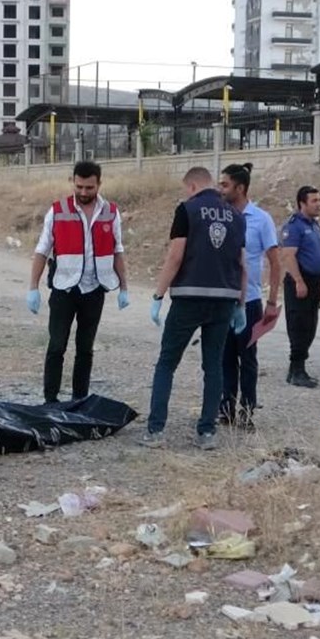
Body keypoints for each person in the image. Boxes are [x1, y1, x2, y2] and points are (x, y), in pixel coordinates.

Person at [139, 167, 247, 451]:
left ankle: (155, 430)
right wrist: (241, 303)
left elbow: (175, 256)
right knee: (213, 366)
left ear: (192, 186)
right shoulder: (236, 216)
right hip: (224, 299)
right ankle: (207, 432)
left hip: (189, 297)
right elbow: (241, 263)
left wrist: (158, 295)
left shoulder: (187, 210)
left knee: (167, 363)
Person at [27, 161, 130, 404]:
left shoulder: (111, 212)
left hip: (94, 290)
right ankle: (50, 399)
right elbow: (42, 250)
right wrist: (33, 287)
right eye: (80, 186)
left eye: (89, 187)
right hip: (64, 289)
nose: (84, 192)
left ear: (99, 184)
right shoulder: (57, 210)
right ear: (73, 182)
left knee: (85, 348)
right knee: (56, 346)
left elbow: (118, 251)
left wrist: (124, 287)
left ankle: (79, 399)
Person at [216, 162, 280, 431]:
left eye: (225, 184)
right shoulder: (219, 215)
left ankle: (247, 410)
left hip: (250, 300)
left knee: (248, 357)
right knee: (224, 358)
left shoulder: (261, 219)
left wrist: (272, 302)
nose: (221, 189)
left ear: (240, 188)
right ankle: (226, 408)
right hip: (223, 299)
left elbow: (275, 263)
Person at [279, 186, 320, 389]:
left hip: (315, 281)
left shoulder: (315, 225)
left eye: (319, 200)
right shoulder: (294, 226)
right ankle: (297, 369)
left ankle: (297, 369)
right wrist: (299, 281)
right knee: (299, 325)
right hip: (300, 281)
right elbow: (288, 256)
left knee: (310, 326)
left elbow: (319, 256)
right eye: (314, 201)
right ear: (302, 203)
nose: (319, 204)